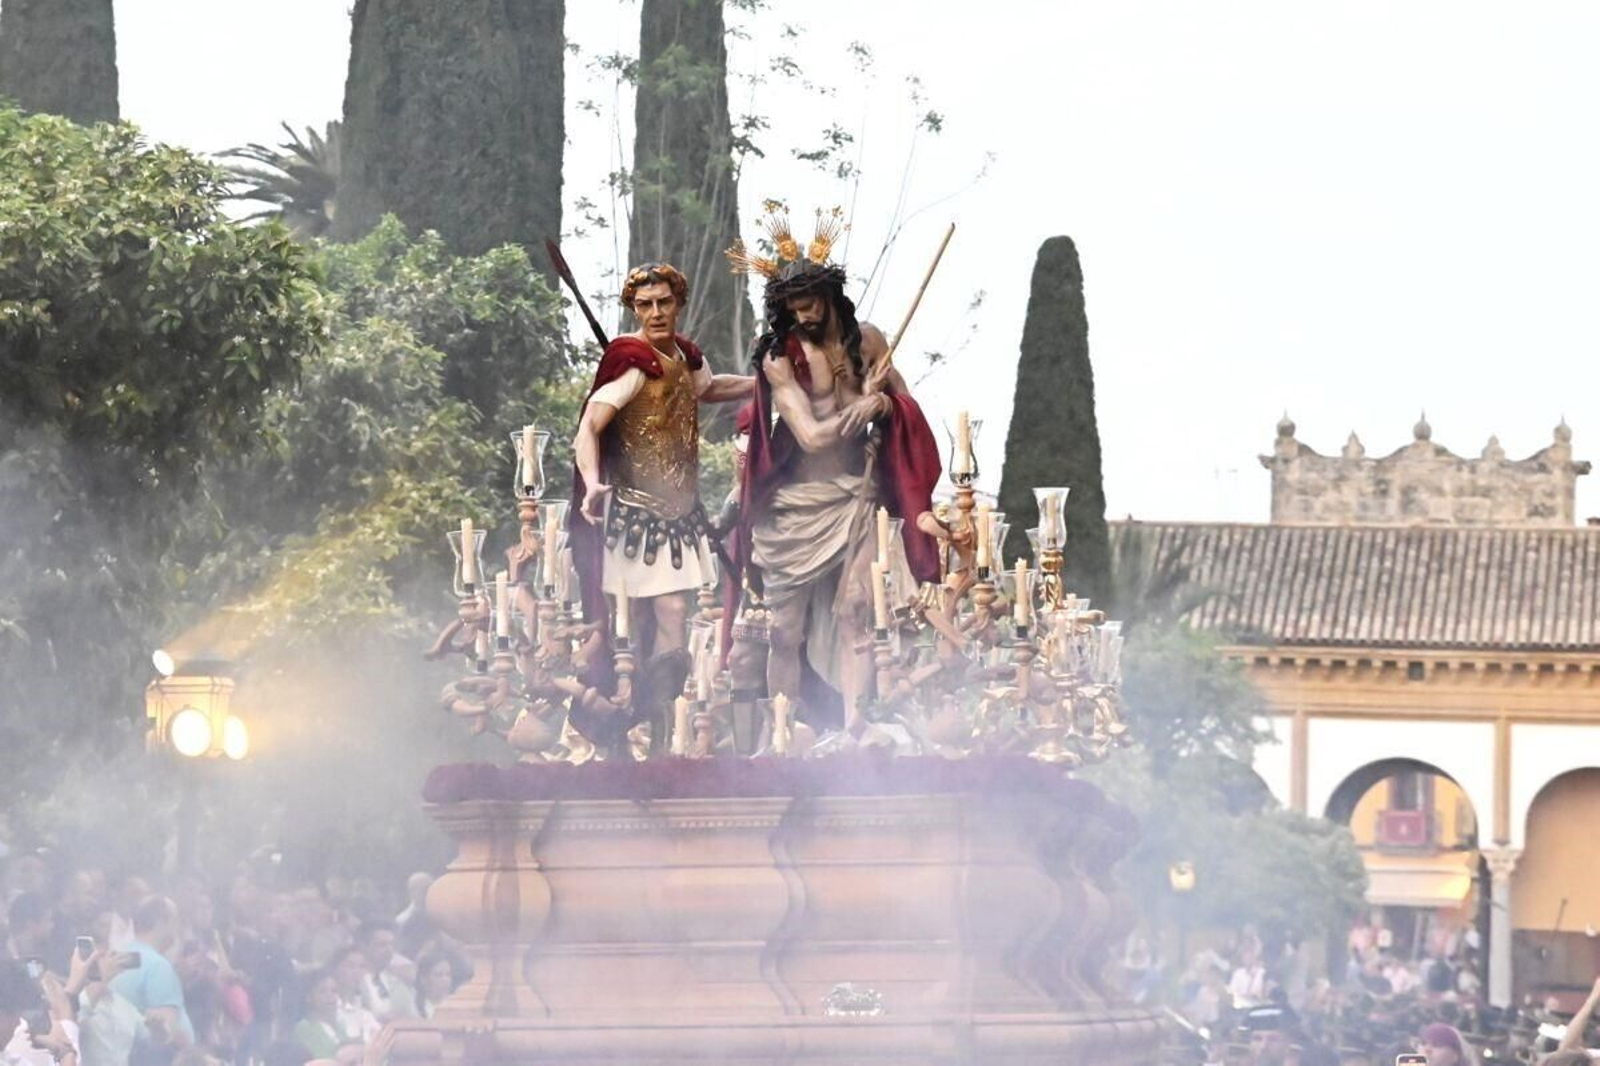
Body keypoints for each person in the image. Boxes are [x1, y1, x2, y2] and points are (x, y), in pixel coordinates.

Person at [726, 205, 945, 730]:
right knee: (784, 631)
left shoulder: (868, 341)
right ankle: (785, 733)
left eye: (810, 305)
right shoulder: (779, 357)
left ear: (830, 296)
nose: (803, 317)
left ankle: (854, 728)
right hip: (794, 507)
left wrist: (886, 404)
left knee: (856, 611)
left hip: (855, 498)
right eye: (793, 309)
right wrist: (863, 408)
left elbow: (907, 405)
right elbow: (810, 434)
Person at [571, 261, 755, 657]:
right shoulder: (631, 363)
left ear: (678, 303)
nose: (655, 313)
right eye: (644, 304)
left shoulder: (685, 355)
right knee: (640, 618)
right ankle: (639, 691)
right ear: (634, 309)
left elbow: (708, 387)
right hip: (635, 511)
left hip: (680, 509)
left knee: (670, 613)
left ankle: (661, 692)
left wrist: (764, 385)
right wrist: (590, 483)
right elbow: (589, 427)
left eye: (664, 302)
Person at [109, 896, 194, 1054]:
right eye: (175, 921)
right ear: (160, 923)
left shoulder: (116, 958)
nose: (177, 929)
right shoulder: (158, 966)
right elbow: (168, 1029)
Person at [354, 923, 415, 1023]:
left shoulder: (398, 983)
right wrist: (376, 1020)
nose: (389, 950)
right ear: (363, 946)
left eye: (391, 945)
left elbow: (412, 1018)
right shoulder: (352, 982)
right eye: (382, 945)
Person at [412, 954, 459, 1020]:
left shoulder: (454, 1006)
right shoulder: (412, 1007)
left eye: (448, 974)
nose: (445, 980)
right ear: (423, 979)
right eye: (438, 975)